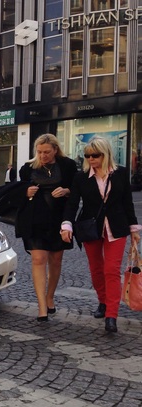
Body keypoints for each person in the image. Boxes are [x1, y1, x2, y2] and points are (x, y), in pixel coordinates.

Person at [60, 136, 141, 333]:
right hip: (91, 227)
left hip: (117, 228)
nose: (90, 159)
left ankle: (111, 315)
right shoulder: (81, 177)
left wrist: (133, 229)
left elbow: (127, 203)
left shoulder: (120, 173)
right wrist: (66, 225)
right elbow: (72, 204)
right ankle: (103, 302)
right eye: (87, 156)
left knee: (111, 270)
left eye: (94, 155)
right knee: (96, 269)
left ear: (105, 155)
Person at [16, 133, 78, 322]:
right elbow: (17, 191)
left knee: (56, 260)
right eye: (39, 152)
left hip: (59, 219)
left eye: (47, 152)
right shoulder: (27, 168)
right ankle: (42, 306)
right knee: (38, 259)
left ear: (55, 150)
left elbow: (76, 192)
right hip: (35, 220)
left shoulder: (67, 165)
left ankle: (50, 295)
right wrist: (25, 192)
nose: (43, 155)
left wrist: (67, 191)